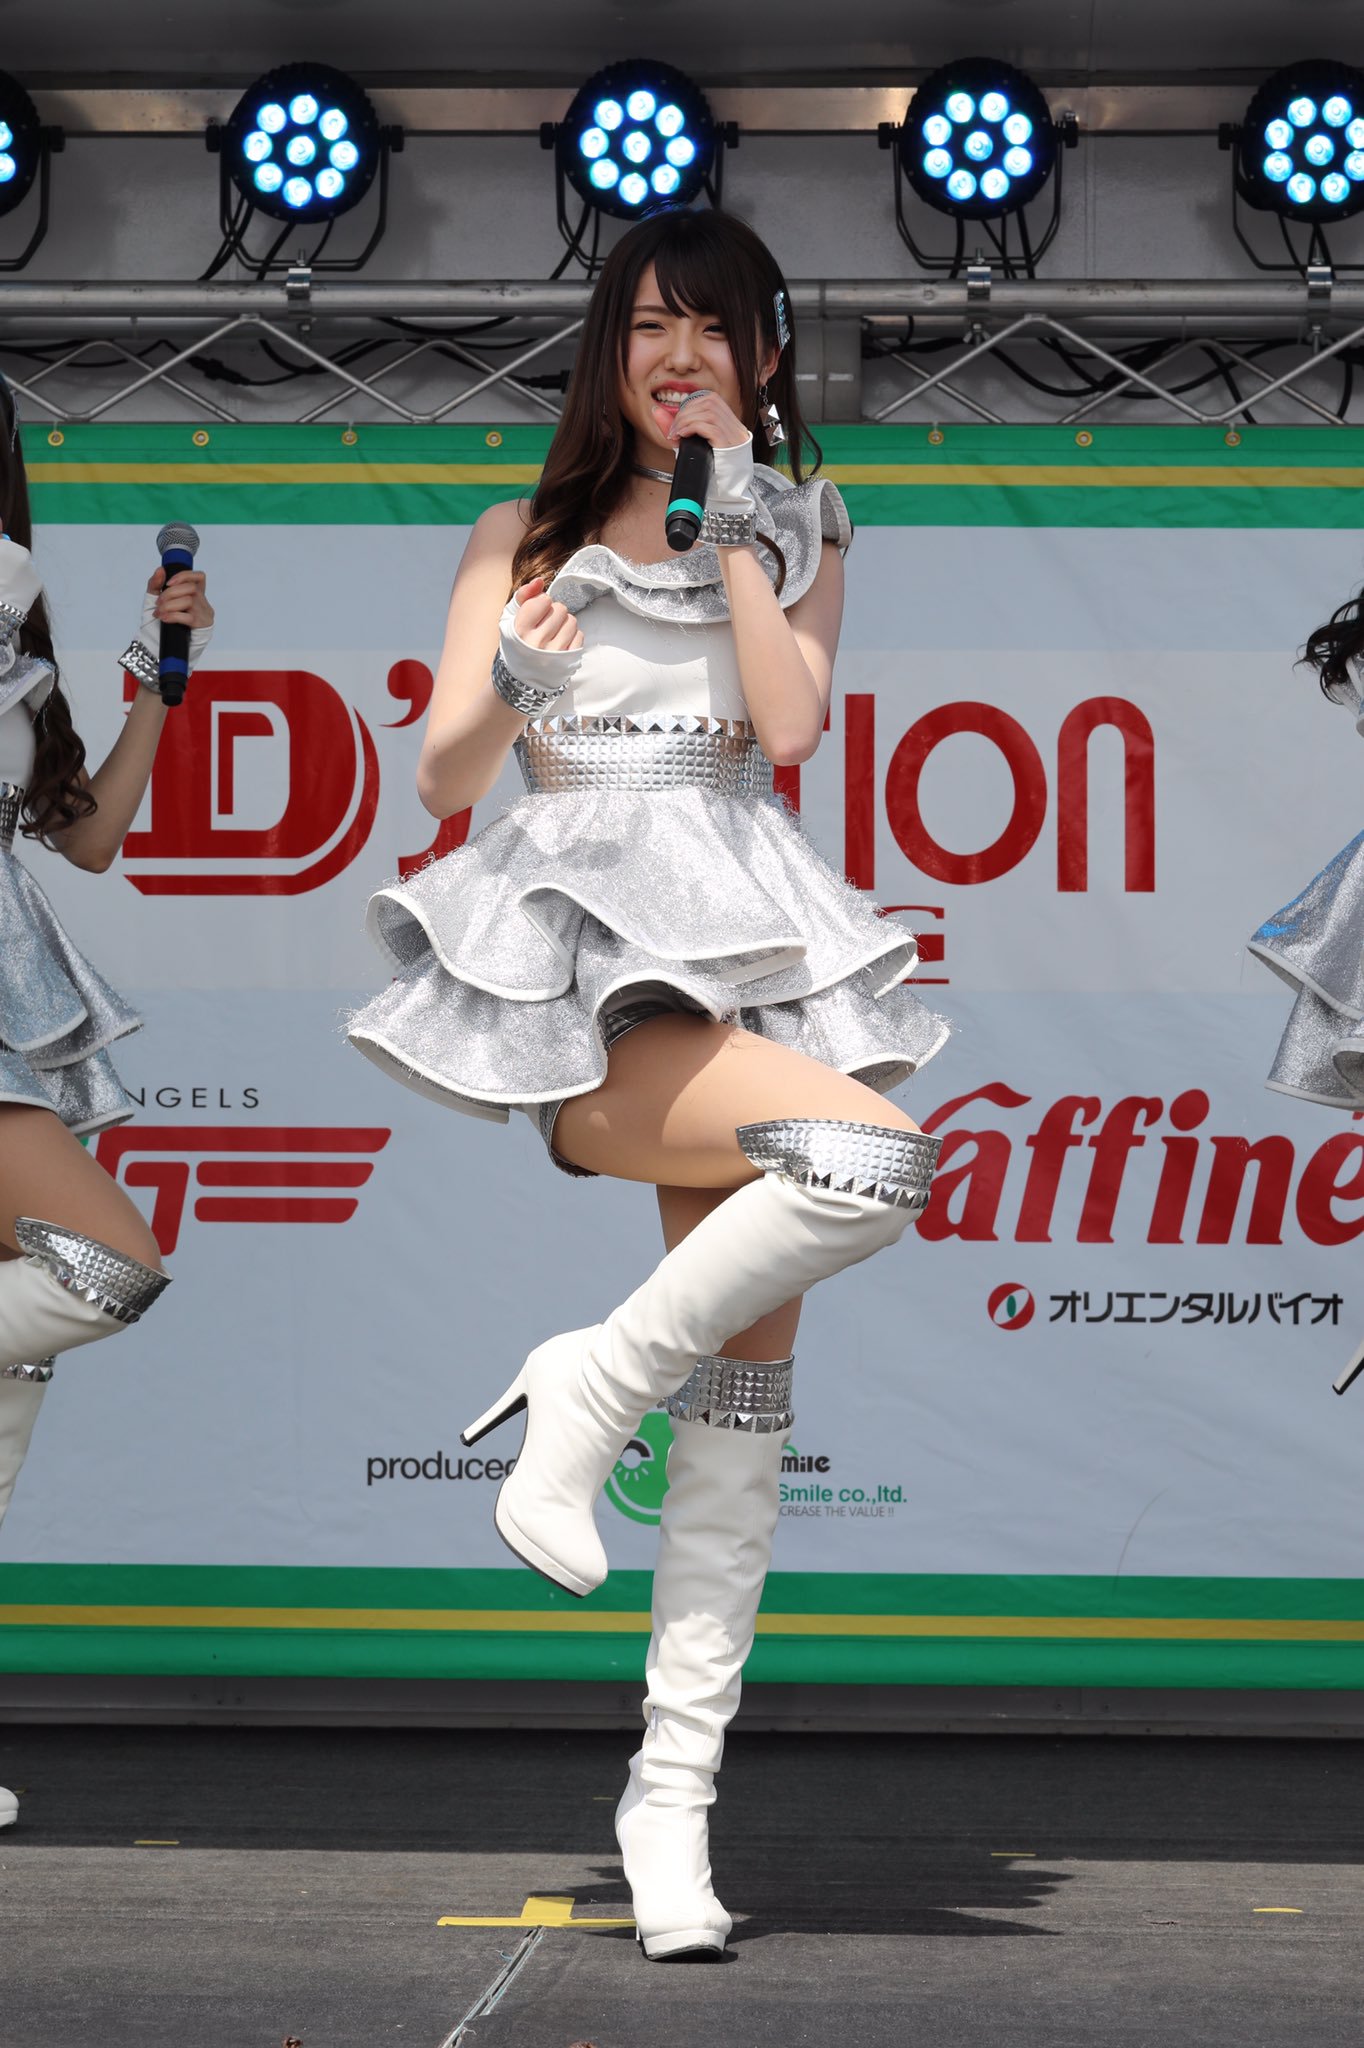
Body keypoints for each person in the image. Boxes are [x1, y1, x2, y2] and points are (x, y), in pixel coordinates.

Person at [347, 209, 949, 1959]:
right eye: (650, 327)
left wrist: (743, 524)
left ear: (764, 358)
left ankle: (669, 1812)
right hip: (591, 968)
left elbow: (792, 726)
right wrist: (515, 678)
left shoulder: (807, 517)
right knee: (873, 1162)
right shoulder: (519, 534)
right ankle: (594, 1379)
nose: (680, 357)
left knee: (745, 1421)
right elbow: (446, 774)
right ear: (609, 348)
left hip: (747, 938)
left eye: (715, 330)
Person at [0, 377, 214, 1825]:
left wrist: (158, 679)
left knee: (8, 1401)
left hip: (16, 990)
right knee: (107, 1267)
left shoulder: (15, 622)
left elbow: (89, 839)